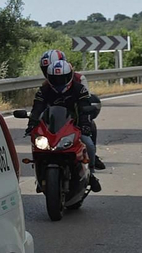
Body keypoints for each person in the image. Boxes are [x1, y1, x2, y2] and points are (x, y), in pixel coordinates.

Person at [28, 49, 104, 191]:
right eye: (54, 77)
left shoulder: (79, 86)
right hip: (52, 124)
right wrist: (32, 123)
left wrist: (85, 123)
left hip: (73, 123)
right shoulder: (44, 89)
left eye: (62, 78)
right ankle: (40, 175)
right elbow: (37, 108)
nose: (58, 81)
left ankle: (91, 174)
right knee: (36, 142)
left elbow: (84, 105)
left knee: (88, 143)